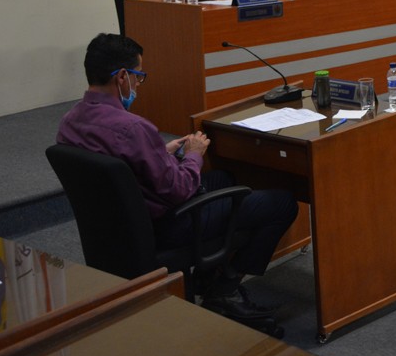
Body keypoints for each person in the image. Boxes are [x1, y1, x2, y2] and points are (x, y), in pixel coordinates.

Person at [56, 34, 297, 321]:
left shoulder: (69, 122)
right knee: (282, 203)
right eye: (137, 76)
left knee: (224, 178)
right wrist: (193, 154)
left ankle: (207, 276)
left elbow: (118, 165)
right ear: (121, 77)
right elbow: (180, 189)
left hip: (117, 226)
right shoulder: (133, 128)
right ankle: (226, 290)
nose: (138, 84)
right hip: (166, 225)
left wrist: (161, 152)